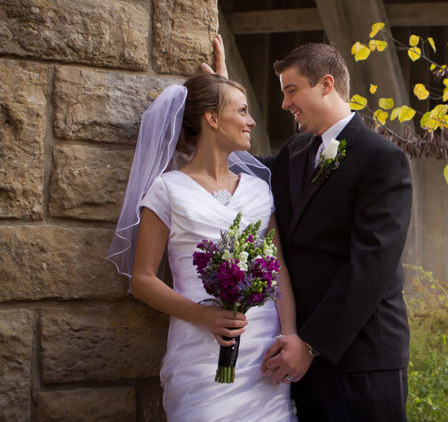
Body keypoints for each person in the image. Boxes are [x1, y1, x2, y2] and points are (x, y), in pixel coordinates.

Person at [206, 36, 413, 421]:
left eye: (292, 90)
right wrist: (222, 96)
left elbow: (370, 266)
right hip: (300, 356)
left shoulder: (383, 160)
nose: (285, 103)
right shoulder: (296, 150)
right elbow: (242, 167)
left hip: (362, 358)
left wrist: (311, 343)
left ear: (327, 84)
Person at [106, 73, 297, 421]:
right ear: (212, 118)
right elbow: (143, 278)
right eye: (241, 111)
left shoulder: (259, 189)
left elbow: (277, 268)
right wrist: (205, 315)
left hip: (263, 354)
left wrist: (290, 334)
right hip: (199, 353)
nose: (251, 121)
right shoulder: (167, 189)